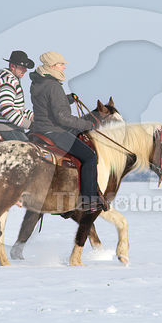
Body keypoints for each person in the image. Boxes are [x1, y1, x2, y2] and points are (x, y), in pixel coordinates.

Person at [29, 51, 108, 212]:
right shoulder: (53, 86)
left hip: (40, 129)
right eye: (61, 64)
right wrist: (86, 124)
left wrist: (68, 98)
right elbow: (62, 118)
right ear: (52, 66)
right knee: (89, 157)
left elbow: (49, 102)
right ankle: (89, 200)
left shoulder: (38, 83)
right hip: (54, 131)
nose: (64, 67)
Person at [0, 50, 35, 142]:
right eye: (22, 67)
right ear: (12, 66)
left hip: (12, 126)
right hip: (7, 128)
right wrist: (30, 125)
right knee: (29, 152)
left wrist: (36, 118)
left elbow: (19, 110)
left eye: (25, 67)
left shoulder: (13, 80)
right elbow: (8, 111)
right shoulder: (8, 82)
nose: (25, 70)